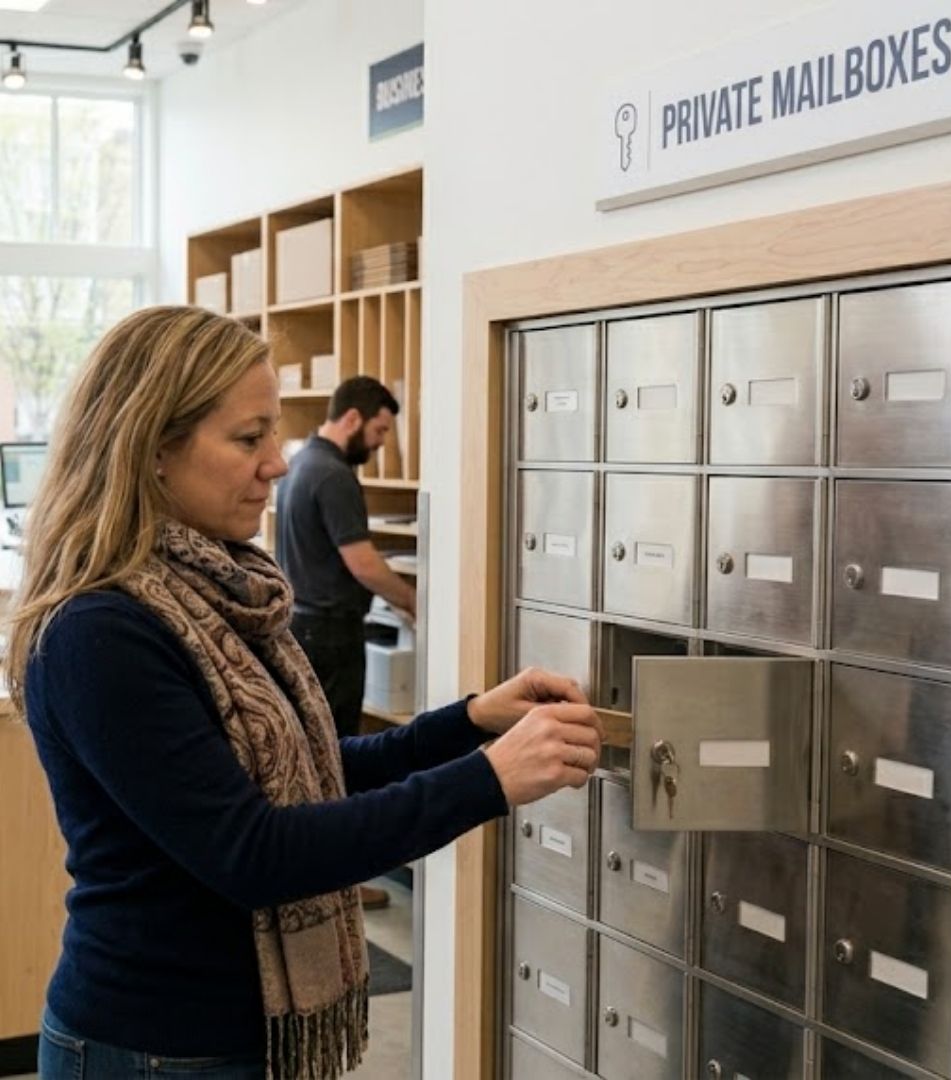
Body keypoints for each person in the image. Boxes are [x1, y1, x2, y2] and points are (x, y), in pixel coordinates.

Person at [2, 305, 602, 1080]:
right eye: (249, 438)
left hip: (232, 1039)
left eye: (273, 434)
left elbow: (311, 771)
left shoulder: (221, 592)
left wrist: (472, 722)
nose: (278, 464)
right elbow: (255, 850)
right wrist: (488, 780)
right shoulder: (101, 630)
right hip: (154, 1047)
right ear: (152, 449)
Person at [274, 377, 418, 910]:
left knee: (314, 751)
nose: (382, 443)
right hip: (331, 634)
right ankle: (338, 879)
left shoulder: (297, 464)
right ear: (353, 418)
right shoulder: (333, 475)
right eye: (380, 429)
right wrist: (412, 600)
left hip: (301, 626)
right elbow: (363, 563)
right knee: (334, 754)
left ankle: (317, 871)